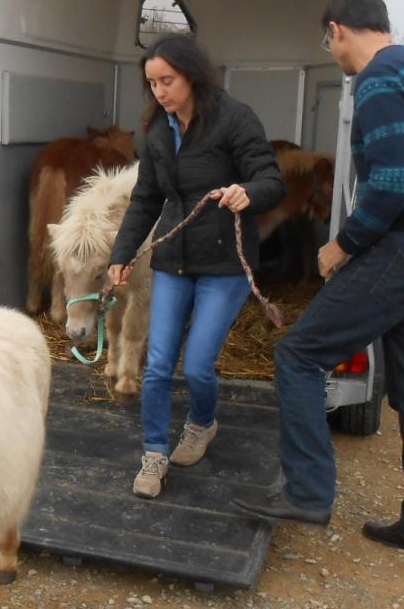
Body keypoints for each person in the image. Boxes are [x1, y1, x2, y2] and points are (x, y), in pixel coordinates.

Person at [231, 0, 404, 564]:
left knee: (298, 355)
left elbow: (391, 183)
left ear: (338, 29)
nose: (333, 55)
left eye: (329, 42)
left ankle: (307, 493)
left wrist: (340, 246)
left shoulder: (379, 79)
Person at [108, 34, 286, 499]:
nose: (160, 91)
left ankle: (202, 423)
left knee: (198, 365)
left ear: (192, 75)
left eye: (167, 80)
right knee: (159, 363)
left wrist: (250, 192)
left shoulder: (234, 118)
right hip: (173, 260)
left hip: (225, 263)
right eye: (152, 83)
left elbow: (271, 177)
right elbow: (146, 198)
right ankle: (153, 453)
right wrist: (121, 255)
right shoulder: (153, 131)